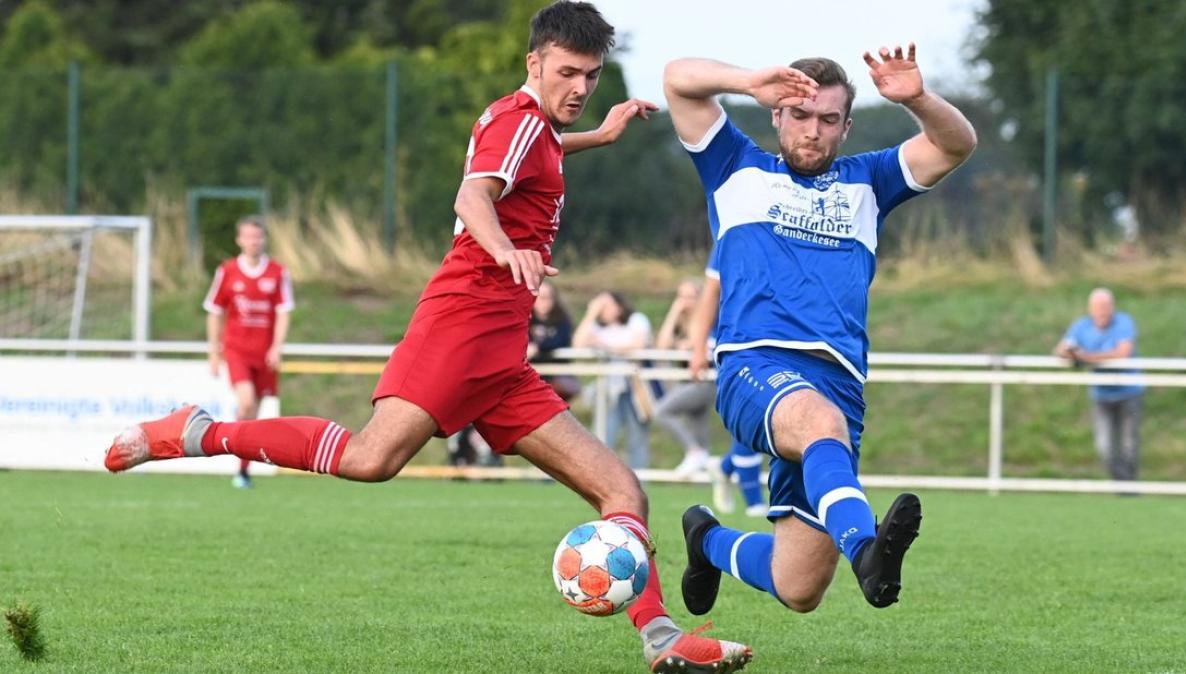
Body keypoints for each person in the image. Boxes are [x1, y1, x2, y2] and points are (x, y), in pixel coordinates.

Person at [104, 3, 750, 672]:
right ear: (535, 63)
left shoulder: (527, 126)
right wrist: (505, 249)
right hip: (463, 322)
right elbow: (472, 198)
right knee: (369, 460)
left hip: (502, 353)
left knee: (623, 493)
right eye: (567, 73)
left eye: (590, 75)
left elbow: (534, 153)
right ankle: (199, 432)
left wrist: (599, 138)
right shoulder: (520, 123)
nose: (581, 89)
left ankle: (663, 641)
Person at [663, 44, 976, 619]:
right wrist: (749, 80)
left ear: (846, 125)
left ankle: (706, 541)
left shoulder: (871, 181)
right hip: (756, 366)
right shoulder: (735, 165)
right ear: (777, 115)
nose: (814, 131)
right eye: (800, 116)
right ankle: (866, 550)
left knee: (799, 585)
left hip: (840, 385)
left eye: (828, 120)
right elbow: (679, 79)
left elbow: (957, 144)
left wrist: (919, 99)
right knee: (817, 421)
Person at [201, 215, 294, 489]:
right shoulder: (227, 271)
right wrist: (214, 351)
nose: (253, 242)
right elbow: (214, 312)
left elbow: (284, 312)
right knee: (246, 402)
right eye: (248, 237)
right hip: (237, 350)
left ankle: (242, 469)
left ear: (263, 239)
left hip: (264, 354)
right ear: (239, 240)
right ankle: (234, 452)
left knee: (253, 412)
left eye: (258, 237)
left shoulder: (278, 272)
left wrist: (277, 347)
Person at [685, 265, 767, 518]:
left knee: (769, 428)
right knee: (749, 422)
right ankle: (755, 503)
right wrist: (699, 348)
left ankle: (724, 466)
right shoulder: (734, 233)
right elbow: (711, 292)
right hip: (737, 349)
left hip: (775, 345)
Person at [1054, 288, 1145, 482]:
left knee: (1130, 445)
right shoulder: (1082, 326)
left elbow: (1122, 352)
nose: (1101, 311)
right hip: (1101, 395)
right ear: (1090, 309)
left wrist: (1087, 357)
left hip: (1129, 392)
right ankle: (1121, 486)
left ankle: (1130, 488)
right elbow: (1062, 349)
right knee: (1105, 447)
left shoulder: (1123, 322)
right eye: (1097, 307)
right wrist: (1070, 354)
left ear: (1112, 307)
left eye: (1105, 306)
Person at [572, 290, 653, 470]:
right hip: (608, 390)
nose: (603, 310)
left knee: (637, 440)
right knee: (602, 438)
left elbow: (637, 346)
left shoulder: (636, 320)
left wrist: (605, 346)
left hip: (635, 389)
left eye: (606, 305)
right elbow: (578, 344)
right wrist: (591, 313)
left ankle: (640, 484)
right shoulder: (598, 328)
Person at [652, 279, 718, 478]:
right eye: (681, 296)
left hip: (706, 381)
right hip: (690, 381)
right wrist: (674, 312)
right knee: (699, 430)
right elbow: (662, 346)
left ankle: (694, 452)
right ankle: (705, 461)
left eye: (690, 297)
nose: (685, 301)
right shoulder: (680, 320)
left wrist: (690, 344)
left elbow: (704, 344)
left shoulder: (708, 320)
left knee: (662, 411)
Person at [528, 280, 581, 402]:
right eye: (540, 298)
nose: (544, 302)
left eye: (548, 298)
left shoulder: (562, 321)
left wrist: (538, 347)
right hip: (533, 376)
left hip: (557, 375)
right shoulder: (526, 320)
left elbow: (560, 341)